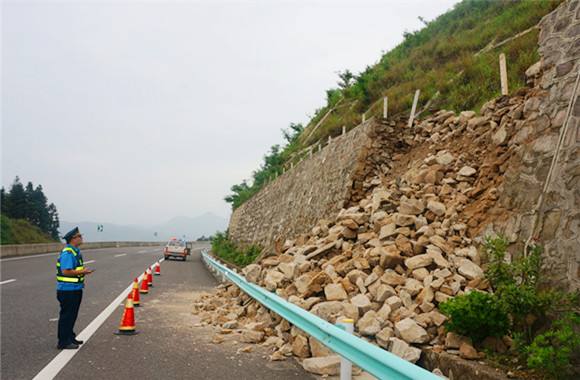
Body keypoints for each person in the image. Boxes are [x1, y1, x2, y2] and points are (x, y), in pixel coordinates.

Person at [56, 227, 94, 349]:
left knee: (72, 315)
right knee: (67, 315)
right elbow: (66, 271)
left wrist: (82, 272)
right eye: (79, 236)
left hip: (75, 288)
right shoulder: (68, 253)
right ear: (73, 239)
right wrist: (83, 271)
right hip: (67, 290)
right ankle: (63, 342)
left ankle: (70, 337)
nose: (81, 238)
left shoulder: (76, 252)